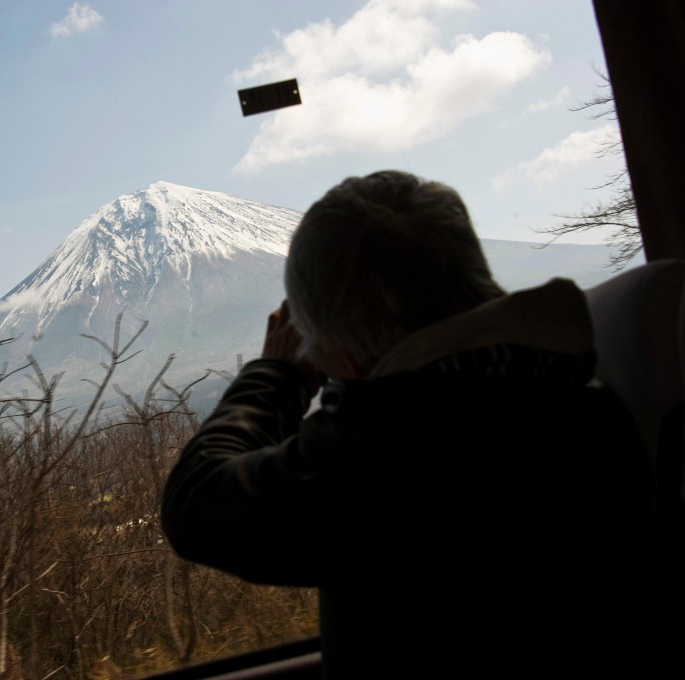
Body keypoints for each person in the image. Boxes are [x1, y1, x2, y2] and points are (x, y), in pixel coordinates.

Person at [159, 170, 653, 676]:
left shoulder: (385, 459)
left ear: (343, 350)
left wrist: (278, 374)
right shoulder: (581, 397)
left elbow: (197, 508)